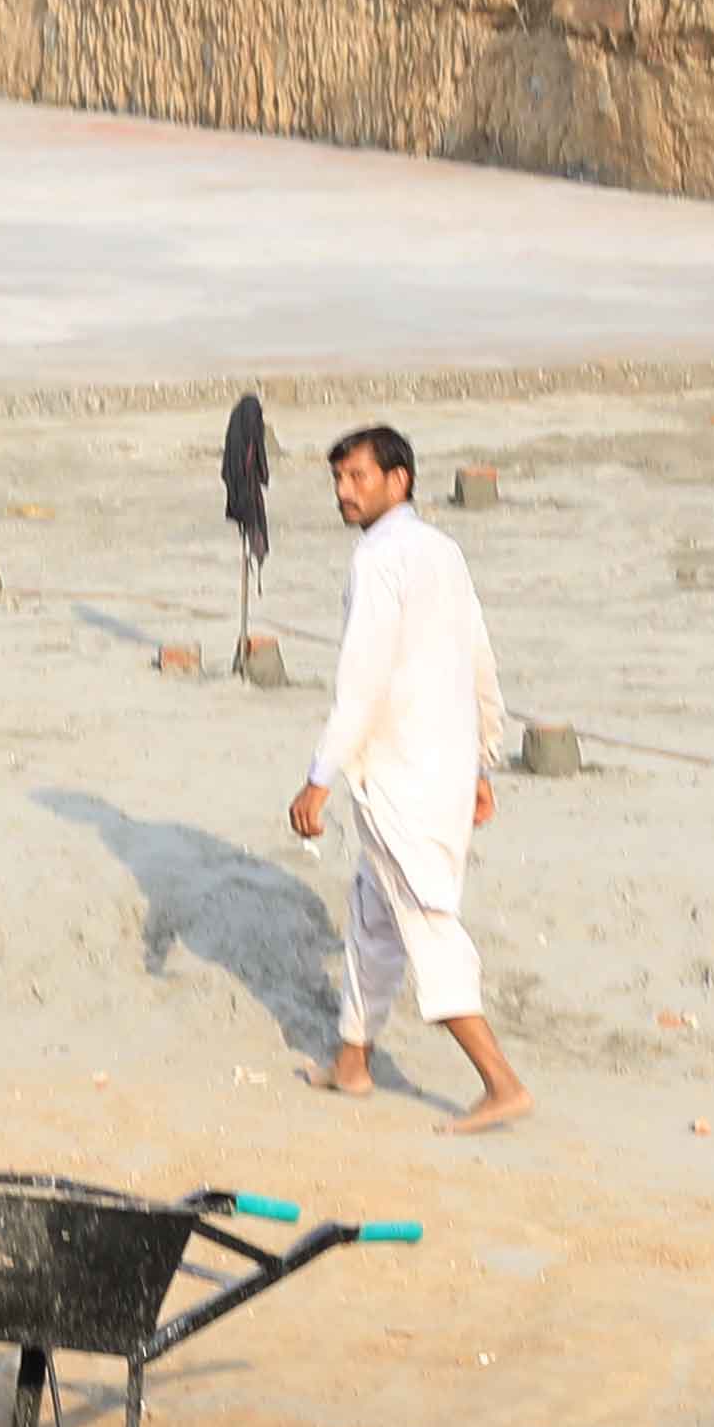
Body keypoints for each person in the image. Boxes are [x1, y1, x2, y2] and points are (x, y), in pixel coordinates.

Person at [285, 425, 536, 1134]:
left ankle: (501, 1082)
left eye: (358, 477)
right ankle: (352, 1063)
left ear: (399, 481)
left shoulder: (381, 559)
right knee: (373, 912)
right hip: (444, 768)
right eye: (338, 480)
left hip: (401, 776)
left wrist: (318, 777)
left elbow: (360, 681)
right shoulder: (443, 551)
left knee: (425, 922)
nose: (344, 492)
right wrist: (482, 761)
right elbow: (478, 658)